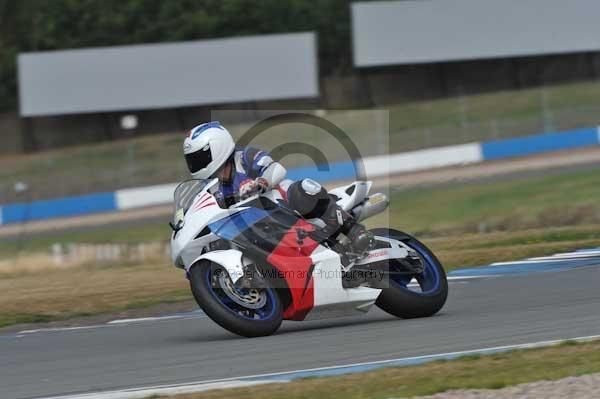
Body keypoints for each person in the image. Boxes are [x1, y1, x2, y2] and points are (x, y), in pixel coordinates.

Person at [183, 121, 374, 253]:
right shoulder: (212, 187)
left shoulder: (245, 157)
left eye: (199, 158)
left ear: (217, 147)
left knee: (301, 190)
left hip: (287, 207)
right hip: (262, 227)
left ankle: (354, 230)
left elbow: (277, 169)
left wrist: (260, 183)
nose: (196, 164)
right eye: (193, 160)